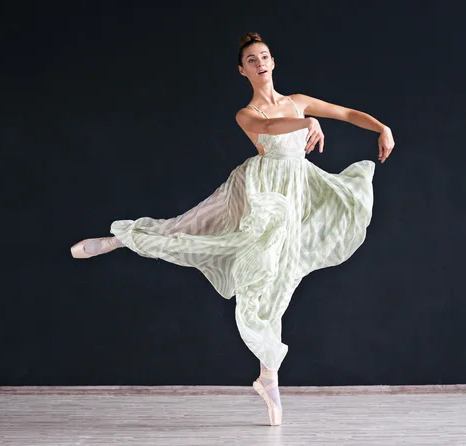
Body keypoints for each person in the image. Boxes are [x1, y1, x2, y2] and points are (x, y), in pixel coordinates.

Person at [70, 32, 395, 426]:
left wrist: (381, 127)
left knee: (277, 280)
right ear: (243, 71)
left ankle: (268, 377)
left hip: (296, 191)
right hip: (258, 192)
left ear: (272, 62)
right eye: (252, 60)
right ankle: (119, 240)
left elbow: (344, 113)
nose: (260, 63)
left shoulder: (299, 101)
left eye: (265, 56)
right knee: (190, 228)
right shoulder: (248, 113)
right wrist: (306, 121)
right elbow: (273, 131)